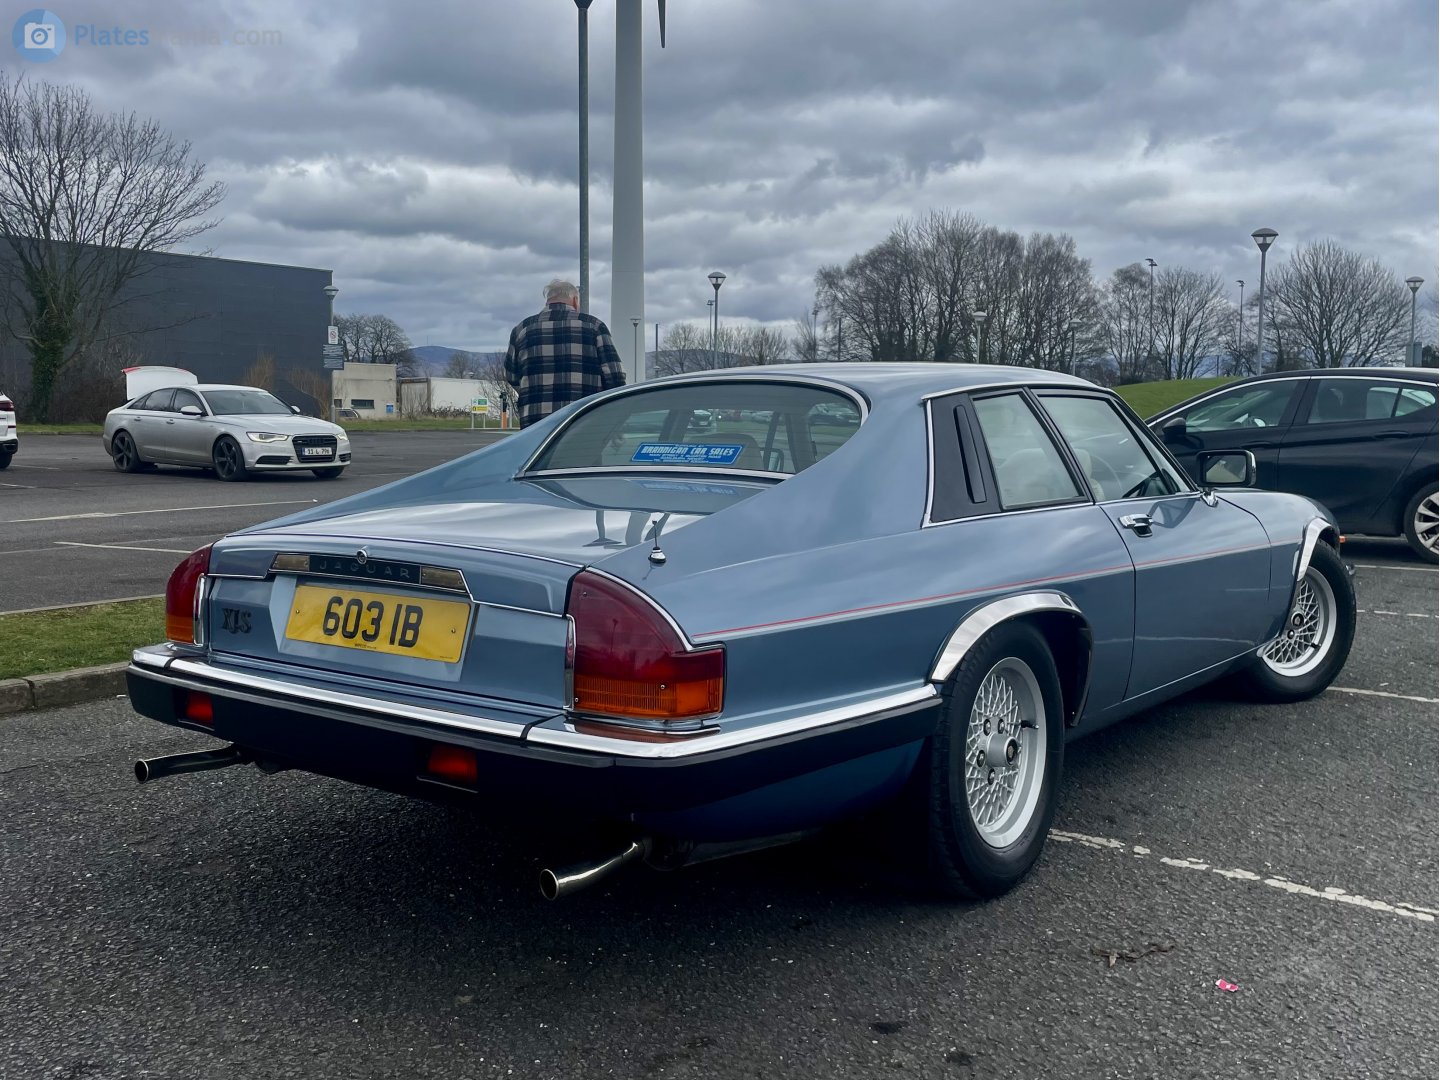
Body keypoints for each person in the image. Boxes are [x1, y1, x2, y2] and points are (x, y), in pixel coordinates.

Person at [503, 279, 626, 428]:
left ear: (548, 301)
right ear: (575, 301)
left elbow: (511, 375)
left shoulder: (521, 329)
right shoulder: (594, 326)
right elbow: (615, 376)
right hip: (583, 420)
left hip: (536, 423)